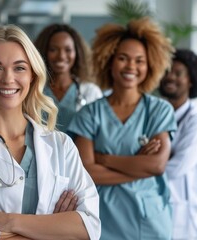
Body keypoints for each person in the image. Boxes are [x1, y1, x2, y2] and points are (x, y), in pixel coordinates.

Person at [0, 24, 100, 240]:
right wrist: (54, 229)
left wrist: (8, 221)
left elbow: (89, 228)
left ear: (32, 75)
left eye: (19, 68)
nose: (8, 79)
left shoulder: (61, 145)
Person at [68, 17, 176, 240]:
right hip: (103, 219)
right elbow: (86, 172)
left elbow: (156, 165)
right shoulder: (90, 114)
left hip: (149, 221)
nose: (131, 67)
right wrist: (137, 167)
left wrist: (104, 159)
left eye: (139, 61)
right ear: (109, 61)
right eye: (123, 58)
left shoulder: (159, 110)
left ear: (150, 65)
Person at [159, 49, 197, 239]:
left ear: (191, 80)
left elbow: (176, 168)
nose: (170, 77)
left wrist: (149, 162)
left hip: (183, 213)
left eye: (178, 73)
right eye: (166, 72)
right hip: (157, 207)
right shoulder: (157, 113)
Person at [34, 24, 102, 133]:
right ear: (43, 52)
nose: (61, 56)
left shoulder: (90, 92)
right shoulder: (33, 91)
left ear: (77, 52)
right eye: (53, 49)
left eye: (68, 50)